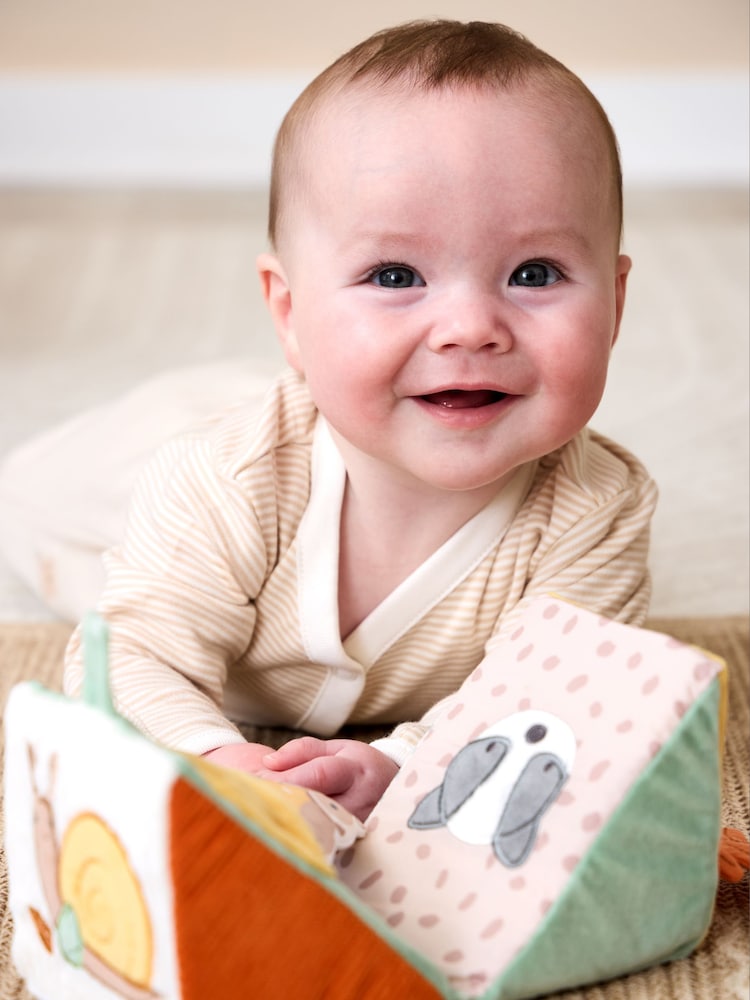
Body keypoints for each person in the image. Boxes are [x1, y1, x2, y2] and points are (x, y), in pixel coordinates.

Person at [63, 19, 657, 821]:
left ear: (615, 305)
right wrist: (215, 759)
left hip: (327, 400)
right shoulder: (222, 483)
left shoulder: (598, 511)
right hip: (117, 481)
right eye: (395, 274)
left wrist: (400, 765)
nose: (470, 327)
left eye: (534, 272)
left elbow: (560, 702)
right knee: (53, 513)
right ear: (291, 312)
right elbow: (124, 660)